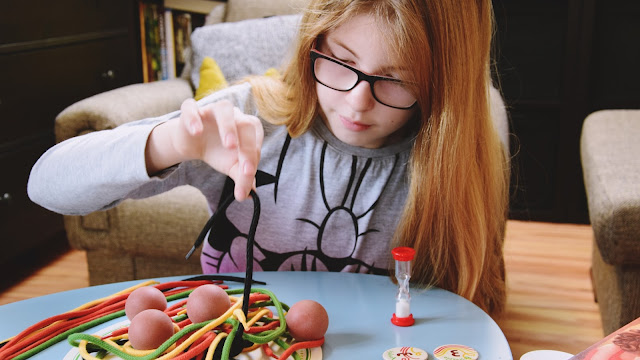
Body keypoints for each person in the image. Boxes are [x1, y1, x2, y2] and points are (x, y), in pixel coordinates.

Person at [28, 0, 509, 317]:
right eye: (342, 62)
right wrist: (173, 142)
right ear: (313, 45)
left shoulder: (452, 165)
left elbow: (466, 310)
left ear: (440, 85)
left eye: (397, 80)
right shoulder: (251, 118)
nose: (357, 103)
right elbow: (47, 184)